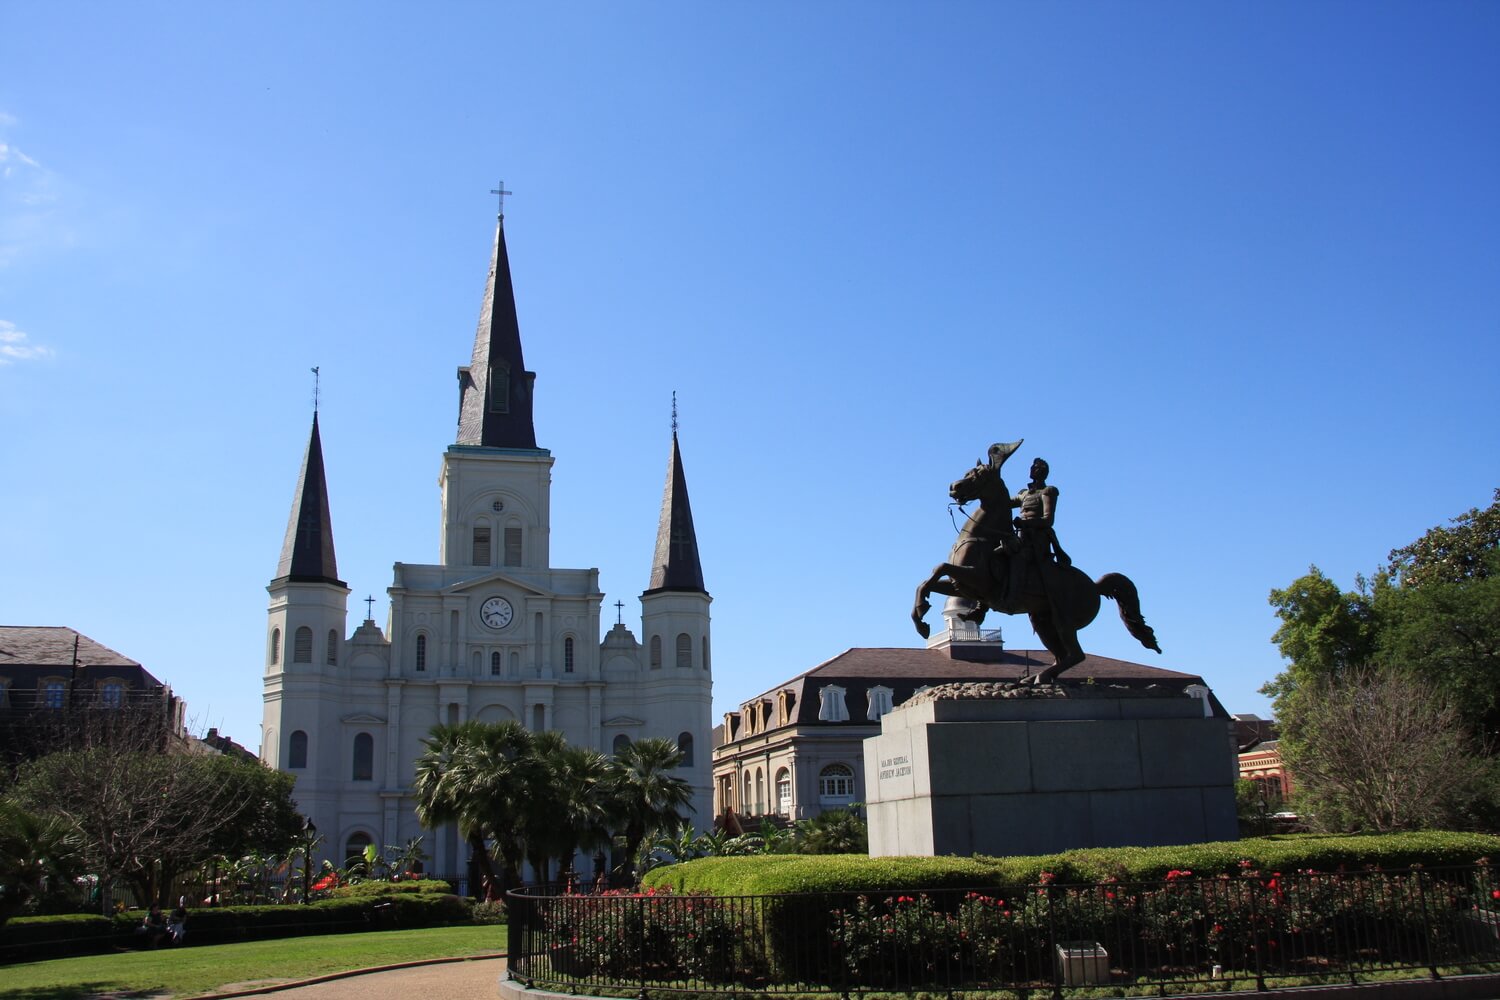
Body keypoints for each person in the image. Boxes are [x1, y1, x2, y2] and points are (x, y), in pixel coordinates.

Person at [1009, 457, 1070, 601]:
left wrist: (1025, 523)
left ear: (1042, 472)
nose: (1031, 469)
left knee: (1018, 560)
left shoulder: (1048, 491)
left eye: (1035, 467)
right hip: (1020, 535)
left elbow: (1048, 520)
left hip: (1037, 537)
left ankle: (1012, 597)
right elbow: (1003, 502)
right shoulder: (1024, 493)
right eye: (1031, 467)